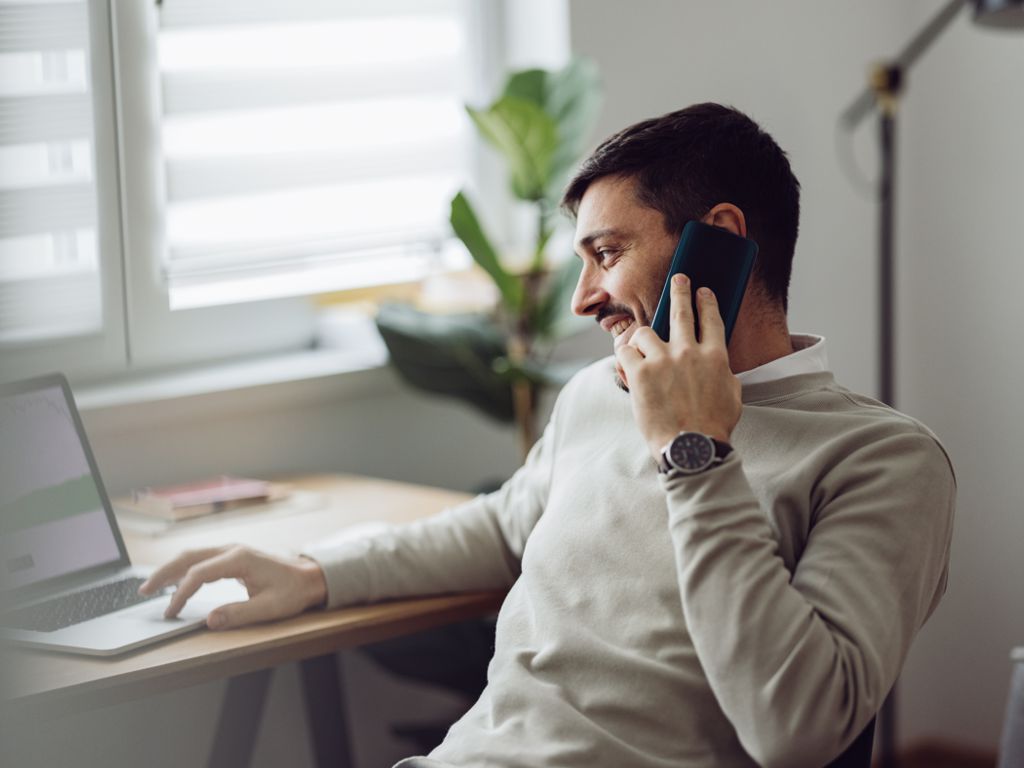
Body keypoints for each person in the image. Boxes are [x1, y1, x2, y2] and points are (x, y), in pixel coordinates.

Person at [141, 103, 956, 768]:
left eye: (608, 253)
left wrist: (693, 449)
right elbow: (502, 524)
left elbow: (798, 729)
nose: (582, 299)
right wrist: (315, 572)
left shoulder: (882, 461)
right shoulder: (598, 397)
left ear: (724, 240)